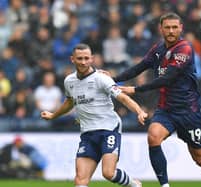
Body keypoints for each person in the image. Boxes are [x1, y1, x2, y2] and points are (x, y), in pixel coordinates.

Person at [109, 12, 201, 187]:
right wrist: (112, 79)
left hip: (188, 112)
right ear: (161, 29)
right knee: (153, 136)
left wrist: (135, 89)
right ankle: (165, 185)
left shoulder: (184, 49)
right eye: (167, 27)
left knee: (200, 159)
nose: (171, 31)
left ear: (181, 28)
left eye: (174, 27)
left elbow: (167, 79)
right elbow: (139, 68)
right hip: (166, 110)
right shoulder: (158, 49)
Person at [41, 43, 146, 187]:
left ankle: (134, 184)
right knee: (80, 180)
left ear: (92, 59)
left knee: (108, 173)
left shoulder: (101, 78)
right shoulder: (69, 81)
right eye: (79, 59)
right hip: (88, 133)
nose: (83, 62)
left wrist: (139, 111)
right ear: (72, 59)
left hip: (109, 129)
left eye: (86, 58)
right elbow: (69, 102)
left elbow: (122, 97)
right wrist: (53, 115)